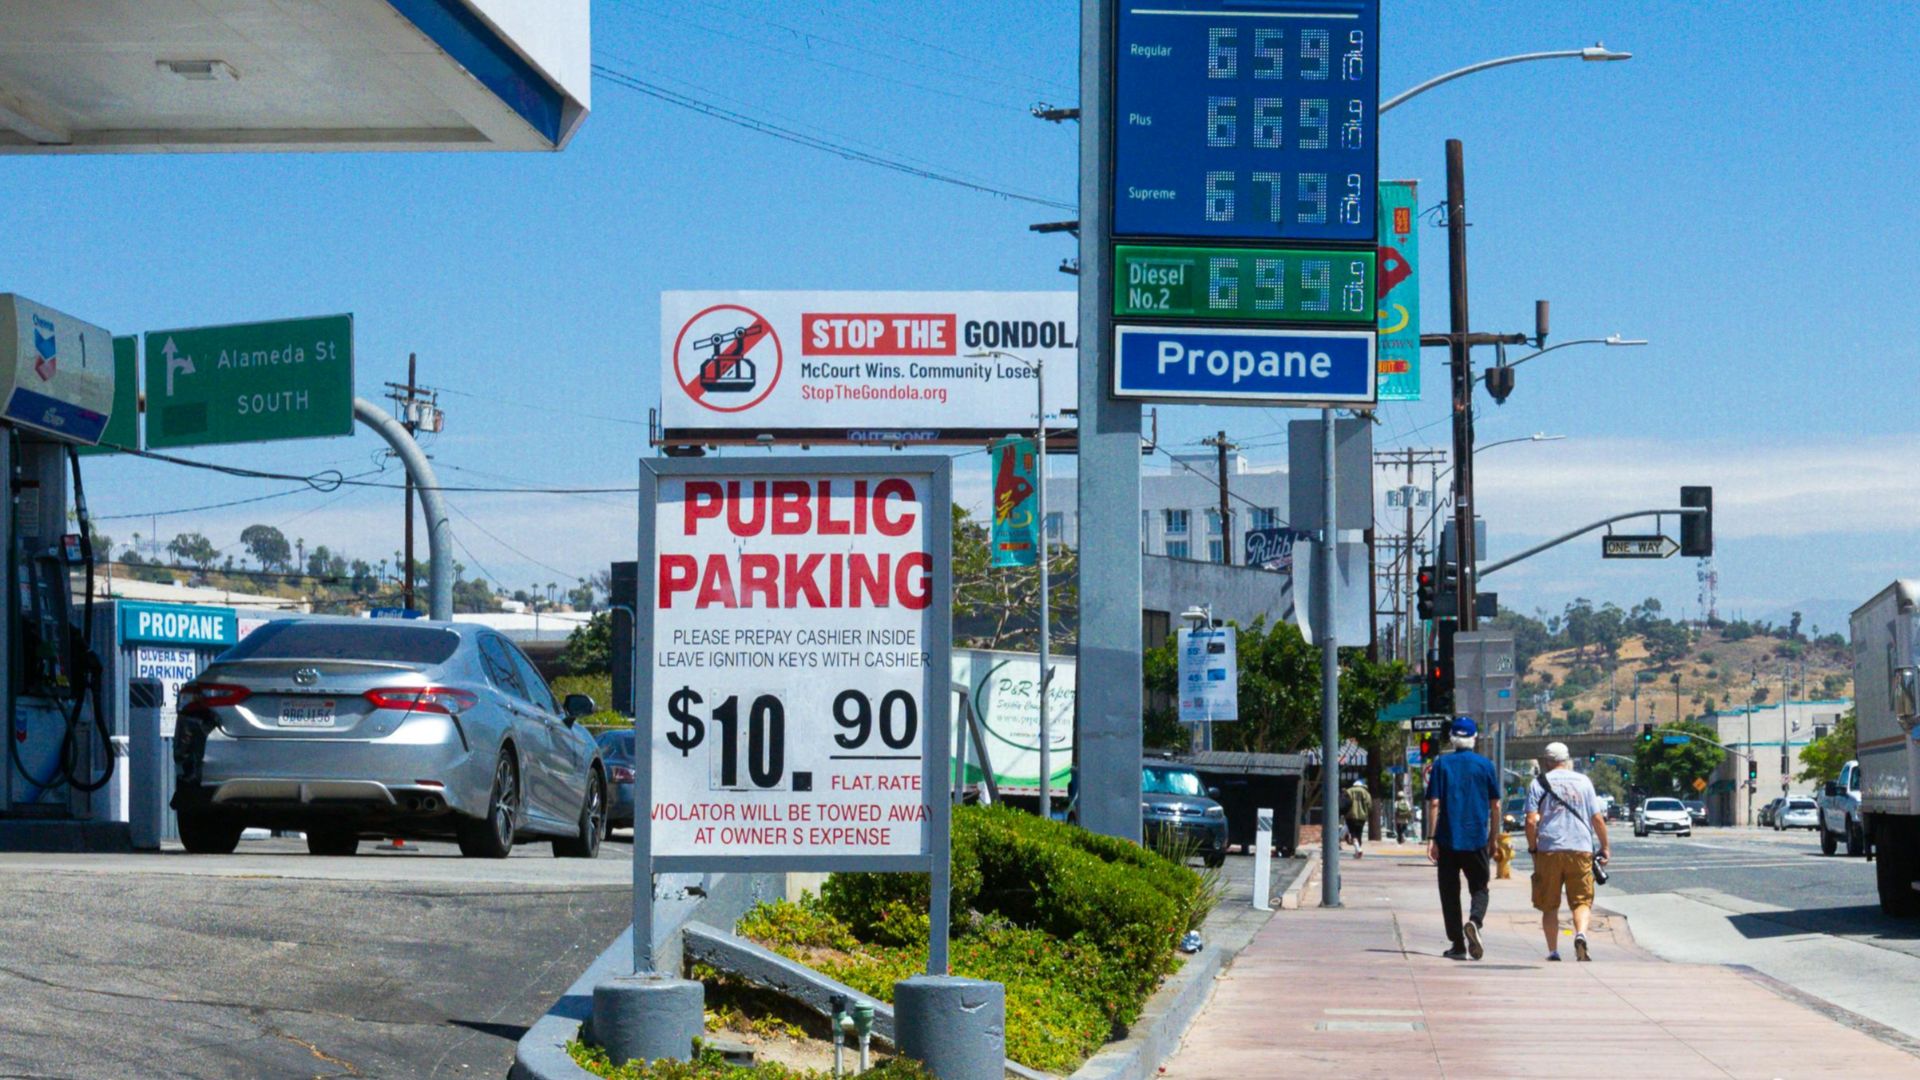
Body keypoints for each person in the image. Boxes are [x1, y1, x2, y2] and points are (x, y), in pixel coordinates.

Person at [1525, 741, 1611, 962]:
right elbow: (1597, 818)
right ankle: (1580, 934)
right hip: (1580, 849)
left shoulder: (1538, 783)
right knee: (1582, 900)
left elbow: (1531, 821)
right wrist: (1605, 846)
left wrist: (1533, 847)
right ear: (1565, 760)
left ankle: (1553, 951)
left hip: (1549, 849)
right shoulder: (1584, 782)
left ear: (1546, 762)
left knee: (1549, 904)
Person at [1426, 716, 1500, 960]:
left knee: (1449, 892)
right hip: (1476, 837)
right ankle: (1475, 922)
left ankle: (1458, 944)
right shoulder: (1486, 765)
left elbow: (1435, 803)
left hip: (1447, 838)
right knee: (1480, 887)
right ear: (1475, 738)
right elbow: (1496, 805)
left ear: (1452, 739)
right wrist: (1494, 838)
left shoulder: (1441, 764)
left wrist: (1431, 839)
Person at [1342, 778, 1373, 858]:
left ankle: (1358, 850)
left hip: (1350, 816)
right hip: (1362, 816)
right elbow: (1369, 805)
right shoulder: (1366, 793)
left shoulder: (1348, 791)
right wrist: (1368, 813)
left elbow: (1344, 803)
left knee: (1353, 833)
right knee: (1359, 833)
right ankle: (1358, 851)